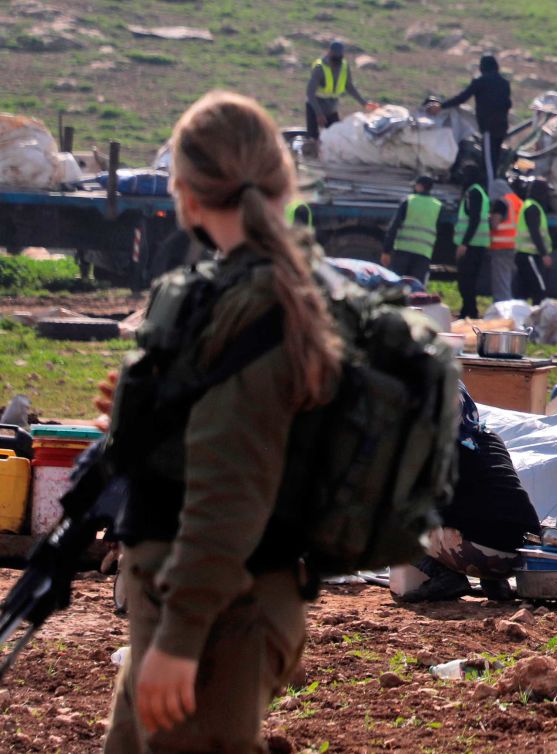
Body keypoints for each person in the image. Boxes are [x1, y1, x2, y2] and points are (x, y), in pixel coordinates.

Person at [102, 91, 343, 753]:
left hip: (215, 613)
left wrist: (179, 641)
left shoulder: (257, 303)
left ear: (186, 192)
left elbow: (231, 489)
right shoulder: (234, 290)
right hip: (188, 595)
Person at [391, 384, 540, 602]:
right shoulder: (490, 437)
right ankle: (494, 582)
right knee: (481, 509)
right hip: (523, 555)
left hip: (481, 551)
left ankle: (445, 577)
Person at [426, 54, 512, 184]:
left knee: (488, 161)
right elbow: (508, 104)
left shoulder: (480, 81)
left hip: (489, 126)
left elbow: (462, 98)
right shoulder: (504, 83)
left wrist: (442, 106)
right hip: (502, 125)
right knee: (495, 157)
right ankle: (491, 183)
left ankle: (489, 187)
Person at [305, 41, 372, 142]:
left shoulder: (344, 66)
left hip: (331, 108)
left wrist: (364, 103)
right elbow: (310, 93)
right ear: (330, 53)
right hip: (315, 107)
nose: (338, 59)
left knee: (335, 138)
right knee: (313, 139)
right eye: (335, 56)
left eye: (340, 56)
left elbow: (349, 86)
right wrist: (318, 114)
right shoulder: (320, 68)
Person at [382, 175, 443, 285]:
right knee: (416, 289)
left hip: (403, 251)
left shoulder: (408, 201)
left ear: (419, 186)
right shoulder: (438, 206)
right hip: (424, 253)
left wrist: (386, 251)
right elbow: (438, 231)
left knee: (397, 286)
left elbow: (394, 227)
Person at [453, 165, 491, 319]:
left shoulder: (473, 193)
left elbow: (474, 219)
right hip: (478, 244)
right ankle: (468, 311)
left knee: (465, 280)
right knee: (469, 280)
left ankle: (470, 312)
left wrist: (464, 243)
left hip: (472, 245)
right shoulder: (480, 191)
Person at [513, 180, 553, 305]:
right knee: (539, 289)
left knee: (522, 290)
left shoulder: (530, 205)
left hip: (525, 254)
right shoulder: (533, 208)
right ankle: (537, 319)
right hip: (529, 255)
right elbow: (534, 233)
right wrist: (544, 254)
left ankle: (521, 318)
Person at [487, 179, 522, 302]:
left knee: (501, 285)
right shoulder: (518, 202)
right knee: (507, 281)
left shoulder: (501, 202)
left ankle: (502, 312)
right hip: (516, 246)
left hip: (501, 247)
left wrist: (488, 219)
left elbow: (495, 224)